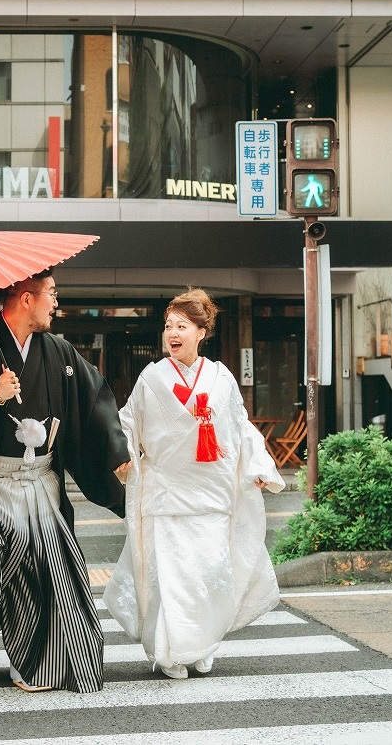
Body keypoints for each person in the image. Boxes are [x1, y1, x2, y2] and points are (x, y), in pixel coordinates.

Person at [0, 269, 128, 702]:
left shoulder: (60, 352)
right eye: (52, 293)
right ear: (25, 298)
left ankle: (34, 661)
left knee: (41, 575)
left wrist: (117, 454)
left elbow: (95, 404)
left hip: (42, 484)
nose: (57, 302)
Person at [104, 288, 284, 679]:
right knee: (172, 577)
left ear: (202, 332)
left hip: (212, 492)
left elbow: (240, 427)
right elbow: (128, 421)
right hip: (167, 492)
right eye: (168, 325)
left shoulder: (221, 378)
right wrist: (121, 454)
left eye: (182, 326)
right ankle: (170, 651)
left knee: (209, 574)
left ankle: (202, 644)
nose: (173, 333)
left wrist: (257, 465)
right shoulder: (152, 377)